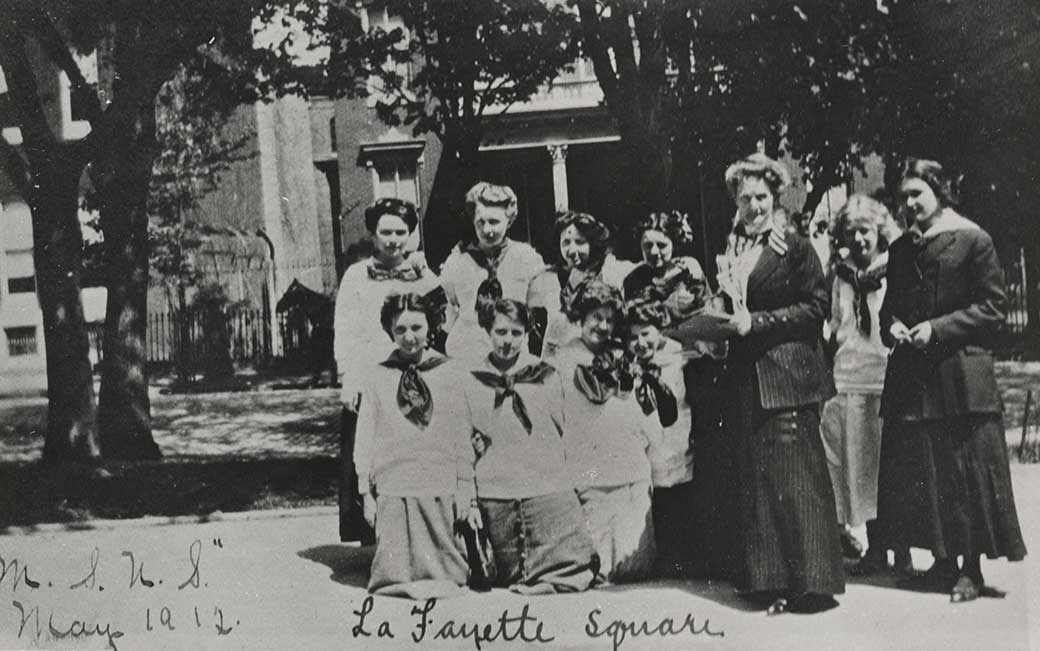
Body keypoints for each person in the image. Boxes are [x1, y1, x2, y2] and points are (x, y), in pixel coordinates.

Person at [877, 158, 1026, 602]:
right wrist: (894, 326)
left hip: (960, 377)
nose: (908, 203)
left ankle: (971, 568)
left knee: (964, 472)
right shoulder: (903, 249)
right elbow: (889, 308)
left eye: (917, 194)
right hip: (915, 379)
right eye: (903, 196)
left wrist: (937, 329)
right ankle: (941, 562)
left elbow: (994, 306)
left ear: (940, 191)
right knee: (925, 470)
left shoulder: (973, 240)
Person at [709, 152, 843, 614]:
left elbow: (815, 308)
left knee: (797, 476)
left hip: (788, 373)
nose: (753, 206)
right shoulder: (734, 247)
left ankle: (812, 583)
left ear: (775, 195)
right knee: (757, 480)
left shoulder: (795, 245)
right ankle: (766, 580)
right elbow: (732, 306)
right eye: (745, 198)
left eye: (761, 197)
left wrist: (758, 322)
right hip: (746, 376)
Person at [461, 298, 597, 594]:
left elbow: (564, 429)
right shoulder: (472, 381)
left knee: (571, 555)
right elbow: (464, 441)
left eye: (516, 333)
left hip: (542, 479)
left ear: (526, 334)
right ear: (488, 331)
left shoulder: (545, 375)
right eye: (500, 332)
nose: (507, 341)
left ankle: (549, 578)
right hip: (495, 486)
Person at [354, 293, 477, 599]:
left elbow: (462, 431)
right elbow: (365, 434)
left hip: (439, 475)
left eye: (417, 328)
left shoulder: (450, 372)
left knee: (445, 563)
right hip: (394, 479)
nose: (409, 337)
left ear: (431, 326)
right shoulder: (377, 376)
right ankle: (396, 576)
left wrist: (465, 486)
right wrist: (364, 489)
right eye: (400, 330)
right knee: (395, 563)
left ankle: (442, 572)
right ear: (389, 331)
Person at [333, 198, 440, 543]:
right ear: (373, 234)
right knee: (371, 455)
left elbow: (445, 316)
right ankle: (377, 537)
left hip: (412, 376)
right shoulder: (356, 275)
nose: (394, 239)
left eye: (401, 232)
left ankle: (417, 534)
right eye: (386, 232)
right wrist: (348, 378)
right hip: (370, 376)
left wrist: (428, 276)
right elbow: (345, 330)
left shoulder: (421, 274)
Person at [818, 195, 908, 570]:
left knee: (889, 465)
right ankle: (871, 546)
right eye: (851, 232)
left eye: (865, 231)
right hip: (848, 376)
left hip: (885, 374)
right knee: (856, 465)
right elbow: (836, 322)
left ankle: (898, 546)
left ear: (879, 232)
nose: (858, 239)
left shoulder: (895, 269)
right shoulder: (840, 275)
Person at [555, 280, 657, 583]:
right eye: (596, 317)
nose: (602, 325)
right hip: (589, 467)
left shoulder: (623, 357)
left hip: (627, 465)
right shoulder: (563, 361)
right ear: (582, 318)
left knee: (634, 564)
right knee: (599, 564)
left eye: (609, 320)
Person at [623, 296, 694, 577]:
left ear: (660, 330)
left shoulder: (678, 358)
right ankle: (660, 557)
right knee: (655, 498)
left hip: (677, 438)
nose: (640, 343)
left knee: (680, 493)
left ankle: (682, 558)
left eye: (645, 334)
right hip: (647, 441)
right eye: (633, 337)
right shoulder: (629, 366)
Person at [440, 182, 545, 363]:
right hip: (465, 356)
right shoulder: (457, 262)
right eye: (481, 222)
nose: (487, 230)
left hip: (512, 355)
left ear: (509, 220)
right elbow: (448, 314)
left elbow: (539, 314)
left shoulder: (527, 259)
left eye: (494, 222)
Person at [527, 211, 635, 361]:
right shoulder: (546, 279)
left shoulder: (610, 272)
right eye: (566, 242)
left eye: (580, 242)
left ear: (592, 242)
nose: (572, 250)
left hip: (598, 362)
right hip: (557, 361)